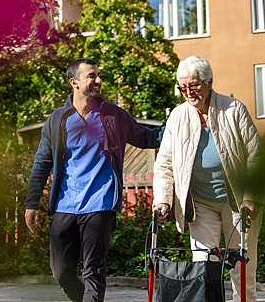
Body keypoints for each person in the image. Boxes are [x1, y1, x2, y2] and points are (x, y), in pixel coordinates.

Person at [25, 58, 164, 302]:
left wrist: (178, 123)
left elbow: (147, 138)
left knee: (94, 271)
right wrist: (31, 202)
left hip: (101, 203)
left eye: (98, 75)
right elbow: (42, 162)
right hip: (65, 205)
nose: (98, 80)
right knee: (61, 271)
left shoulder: (113, 115)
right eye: (91, 76)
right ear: (74, 82)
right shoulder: (58, 120)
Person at [153, 55, 263, 301]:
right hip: (200, 203)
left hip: (237, 201)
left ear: (209, 82)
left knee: (241, 268)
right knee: (203, 267)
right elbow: (164, 163)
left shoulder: (233, 109)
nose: (188, 92)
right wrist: (163, 199)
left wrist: (251, 197)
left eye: (193, 85)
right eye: (183, 87)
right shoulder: (177, 116)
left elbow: (255, 155)